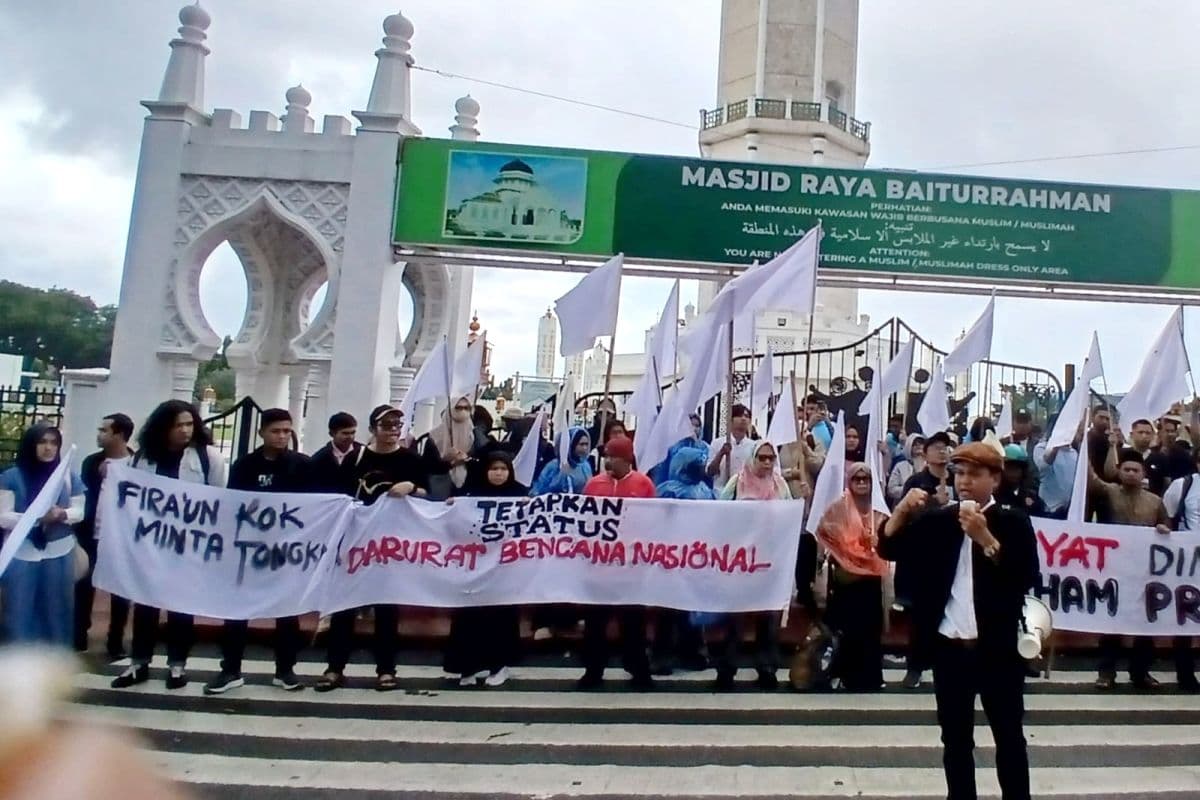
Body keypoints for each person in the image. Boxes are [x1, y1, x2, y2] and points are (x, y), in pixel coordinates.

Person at [880, 442, 1038, 800]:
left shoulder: (1012, 520)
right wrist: (901, 513)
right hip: (951, 648)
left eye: (975, 474)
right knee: (955, 741)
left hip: (998, 650)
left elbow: (1025, 575)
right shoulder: (940, 520)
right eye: (959, 473)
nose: (964, 482)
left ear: (994, 479)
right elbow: (888, 549)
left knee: (1009, 737)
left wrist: (985, 538)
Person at [112, 400, 228, 690]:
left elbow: (218, 500)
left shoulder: (207, 458)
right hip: (152, 544)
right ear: (164, 428)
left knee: (181, 607)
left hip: (188, 545)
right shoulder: (143, 458)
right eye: (178, 425)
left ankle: (177, 665)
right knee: (146, 605)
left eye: (189, 424)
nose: (185, 430)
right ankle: (139, 662)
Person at [316, 404, 430, 693]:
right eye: (386, 425)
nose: (392, 431)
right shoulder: (357, 458)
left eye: (396, 426)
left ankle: (386, 669)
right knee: (345, 607)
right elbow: (340, 497)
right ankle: (334, 667)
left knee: (387, 608)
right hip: (357, 542)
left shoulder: (410, 459)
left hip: (392, 545)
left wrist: (411, 488)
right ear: (373, 429)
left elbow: (431, 493)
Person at [204, 409, 309, 695]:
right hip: (248, 551)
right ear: (262, 432)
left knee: (287, 612)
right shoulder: (244, 466)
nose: (282, 436)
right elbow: (233, 506)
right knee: (237, 610)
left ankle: (285, 670)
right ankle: (231, 669)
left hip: (286, 551)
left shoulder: (301, 465)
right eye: (276, 431)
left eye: (287, 431)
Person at [577, 436, 657, 690]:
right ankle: (593, 670)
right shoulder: (594, 484)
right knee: (595, 622)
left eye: (613, 456)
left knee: (633, 622)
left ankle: (638, 668)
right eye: (607, 456)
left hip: (631, 567)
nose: (608, 460)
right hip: (599, 566)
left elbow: (654, 522)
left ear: (626, 458)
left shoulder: (643, 485)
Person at [1089, 444, 1171, 690]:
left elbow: (1166, 525)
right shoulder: (1110, 492)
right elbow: (1091, 479)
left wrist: (1164, 529)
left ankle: (1140, 672)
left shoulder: (1156, 501)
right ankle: (1106, 673)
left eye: (1136, 470)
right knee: (1112, 622)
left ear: (1143, 472)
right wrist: (1082, 446)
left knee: (1145, 624)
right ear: (1119, 471)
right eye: (1127, 469)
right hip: (1114, 571)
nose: (1132, 474)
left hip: (1145, 573)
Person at [712, 440, 791, 690]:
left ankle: (766, 668)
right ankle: (727, 670)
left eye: (771, 458)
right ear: (752, 458)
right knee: (734, 619)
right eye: (762, 458)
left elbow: (789, 518)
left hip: (770, 561)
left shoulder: (781, 484)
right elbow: (719, 516)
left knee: (768, 619)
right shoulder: (737, 482)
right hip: (740, 562)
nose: (767, 463)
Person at [443, 451, 524, 687]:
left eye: (503, 469)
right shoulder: (470, 494)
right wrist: (452, 506)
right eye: (493, 468)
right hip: (474, 567)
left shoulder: (519, 494)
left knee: (500, 617)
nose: (498, 473)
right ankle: (467, 667)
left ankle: (499, 665)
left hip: (504, 569)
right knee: (469, 617)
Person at [0, 424, 85, 648]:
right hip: (22, 552)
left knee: (57, 609)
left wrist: (61, 514)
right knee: (19, 609)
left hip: (59, 550)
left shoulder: (67, 477)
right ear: (31, 445)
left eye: (53, 443)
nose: (48, 448)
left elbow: (79, 511)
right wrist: (36, 518)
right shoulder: (12, 477)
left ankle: (55, 662)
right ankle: (20, 662)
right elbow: (3, 517)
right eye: (42, 442)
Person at [815, 462, 888, 691]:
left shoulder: (878, 509)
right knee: (847, 629)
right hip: (846, 579)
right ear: (849, 482)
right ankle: (843, 675)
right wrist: (847, 547)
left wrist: (877, 542)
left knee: (870, 630)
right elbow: (824, 532)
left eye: (865, 480)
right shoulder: (838, 508)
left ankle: (870, 679)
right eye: (857, 480)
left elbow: (889, 535)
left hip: (871, 579)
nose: (862, 484)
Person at [897, 430, 956, 687]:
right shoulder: (916, 483)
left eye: (946, 447)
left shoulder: (958, 480)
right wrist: (934, 502)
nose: (942, 451)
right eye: (937, 447)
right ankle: (915, 668)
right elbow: (907, 518)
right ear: (925, 453)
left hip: (952, 558)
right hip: (923, 559)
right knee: (922, 617)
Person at [76, 413, 136, 658]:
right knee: (84, 584)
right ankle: (78, 633)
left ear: (119, 435)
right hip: (92, 532)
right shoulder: (92, 462)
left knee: (119, 589)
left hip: (122, 535)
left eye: (104, 430)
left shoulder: (137, 464)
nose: (99, 435)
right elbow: (83, 493)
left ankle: (115, 639)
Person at [649, 445, 712, 675]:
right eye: (697, 463)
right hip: (671, 559)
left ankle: (693, 652)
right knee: (668, 611)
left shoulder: (705, 490)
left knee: (691, 610)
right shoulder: (668, 490)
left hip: (696, 558)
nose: (701, 468)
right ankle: (661, 655)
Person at [528, 427, 593, 641]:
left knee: (571, 576)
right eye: (580, 444)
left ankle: (570, 620)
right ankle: (545, 622)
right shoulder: (553, 466)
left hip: (576, 529)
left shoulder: (586, 467)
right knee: (550, 574)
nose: (584, 449)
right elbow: (537, 493)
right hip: (552, 529)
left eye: (586, 444)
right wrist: (558, 480)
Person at [1162, 449, 1200, 691]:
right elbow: (1167, 516)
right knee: (1185, 618)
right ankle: (1185, 674)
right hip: (1188, 563)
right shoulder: (1183, 486)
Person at [429, 396, 488, 495]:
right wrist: (450, 462)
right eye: (458, 408)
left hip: (469, 487)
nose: (462, 411)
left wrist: (467, 459)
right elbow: (428, 465)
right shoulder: (435, 435)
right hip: (440, 486)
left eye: (466, 408)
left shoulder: (475, 434)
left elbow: (484, 460)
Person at [1033, 427, 1080, 520]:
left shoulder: (1074, 452)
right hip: (1049, 509)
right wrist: (1055, 448)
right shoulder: (1041, 447)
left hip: (1068, 509)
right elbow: (1043, 466)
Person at [308, 411, 361, 493]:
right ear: (332, 434)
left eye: (353, 432)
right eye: (345, 433)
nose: (350, 437)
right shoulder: (319, 459)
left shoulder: (364, 452)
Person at [706, 404, 757, 488]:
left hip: (745, 494)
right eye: (739, 415)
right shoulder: (717, 443)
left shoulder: (754, 446)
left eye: (746, 416)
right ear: (731, 420)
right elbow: (710, 472)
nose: (743, 419)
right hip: (721, 493)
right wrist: (721, 453)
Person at [998, 445, 1046, 517]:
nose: (1013, 473)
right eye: (1010, 468)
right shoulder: (993, 496)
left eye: (1017, 468)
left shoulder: (1029, 496)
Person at [887, 434, 926, 506]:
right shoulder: (900, 466)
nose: (918, 446)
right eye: (914, 444)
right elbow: (891, 490)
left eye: (921, 443)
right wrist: (909, 490)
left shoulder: (930, 465)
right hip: (903, 506)